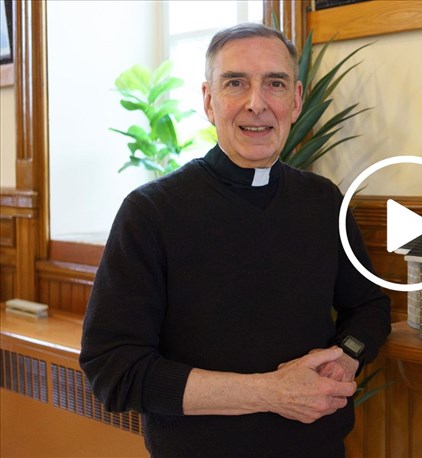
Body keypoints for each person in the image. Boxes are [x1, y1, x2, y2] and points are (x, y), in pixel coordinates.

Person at [80, 23, 391, 457]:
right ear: (209, 101)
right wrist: (270, 392)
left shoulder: (322, 201)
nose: (256, 103)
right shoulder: (151, 212)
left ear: (296, 100)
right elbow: (114, 371)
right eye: (235, 83)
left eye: (275, 84)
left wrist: (346, 354)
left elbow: (370, 306)